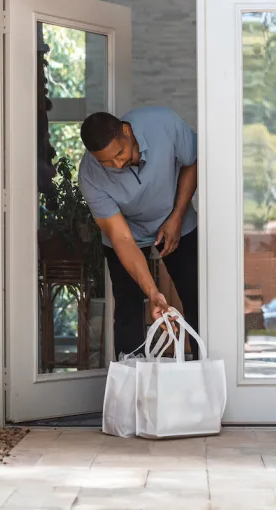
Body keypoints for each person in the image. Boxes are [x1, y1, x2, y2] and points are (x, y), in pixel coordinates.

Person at [77, 106, 199, 360]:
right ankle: (132, 386)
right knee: (128, 308)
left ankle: (205, 372)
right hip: (128, 231)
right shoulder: (90, 175)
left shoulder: (163, 123)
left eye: (120, 153)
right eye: (107, 162)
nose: (118, 164)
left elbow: (193, 161)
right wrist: (153, 293)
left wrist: (176, 217)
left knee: (197, 297)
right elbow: (121, 238)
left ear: (126, 130)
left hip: (175, 218)